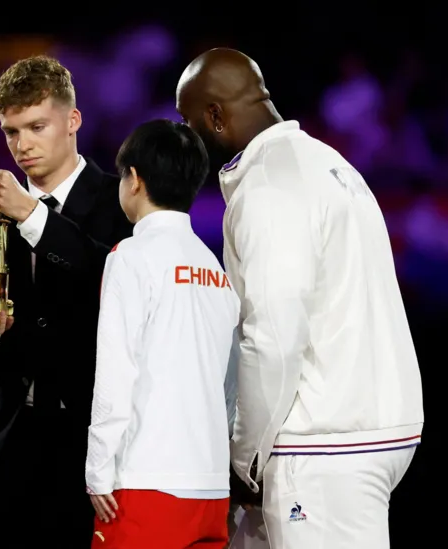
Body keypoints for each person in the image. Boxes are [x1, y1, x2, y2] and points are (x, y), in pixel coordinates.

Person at [175, 48, 424, 549]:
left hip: (325, 444)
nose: (187, 136)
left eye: (189, 120)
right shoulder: (329, 164)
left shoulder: (269, 186)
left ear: (217, 116)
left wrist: (243, 456)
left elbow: (274, 339)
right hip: (365, 429)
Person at [0, 55, 133, 549]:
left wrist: (32, 215)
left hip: (92, 450)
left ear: (72, 121)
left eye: (36, 126)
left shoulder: (124, 202)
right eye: (11, 132)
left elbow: (107, 275)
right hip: (7, 450)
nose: (23, 145)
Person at [84, 119, 240, 549]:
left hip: (146, 484)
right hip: (210, 488)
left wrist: (98, 468)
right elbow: (232, 387)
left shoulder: (130, 257)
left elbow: (116, 371)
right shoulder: (216, 270)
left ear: (133, 180)